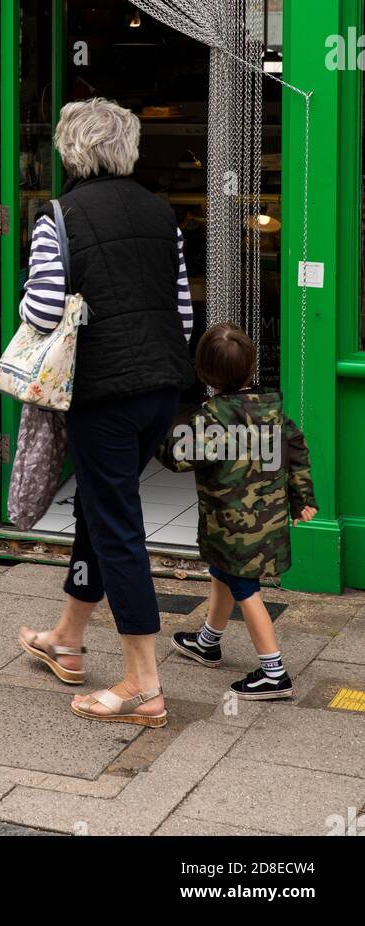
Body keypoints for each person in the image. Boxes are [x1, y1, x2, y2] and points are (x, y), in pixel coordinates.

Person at [17, 98, 194, 728]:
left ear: (71, 149)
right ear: (127, 147)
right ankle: (66, 635)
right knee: (100, 505)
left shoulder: (57, 217)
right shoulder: (160, 213)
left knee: (118, 527)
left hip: (103, 394)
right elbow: (183, 313)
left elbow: (40, 313)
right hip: (163, 389)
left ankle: (144, 686)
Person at [157, 322, 318, 700]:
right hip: (266, 522)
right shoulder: (272, 412)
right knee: (222, 573)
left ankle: (274, 671)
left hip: (232, 527)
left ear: (204, 374)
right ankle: (208, 641)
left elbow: (177, 457)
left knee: (246, 589)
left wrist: (152, 432)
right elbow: (297, 451)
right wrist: (303, 499)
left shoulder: (212, 419)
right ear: (251, 368)